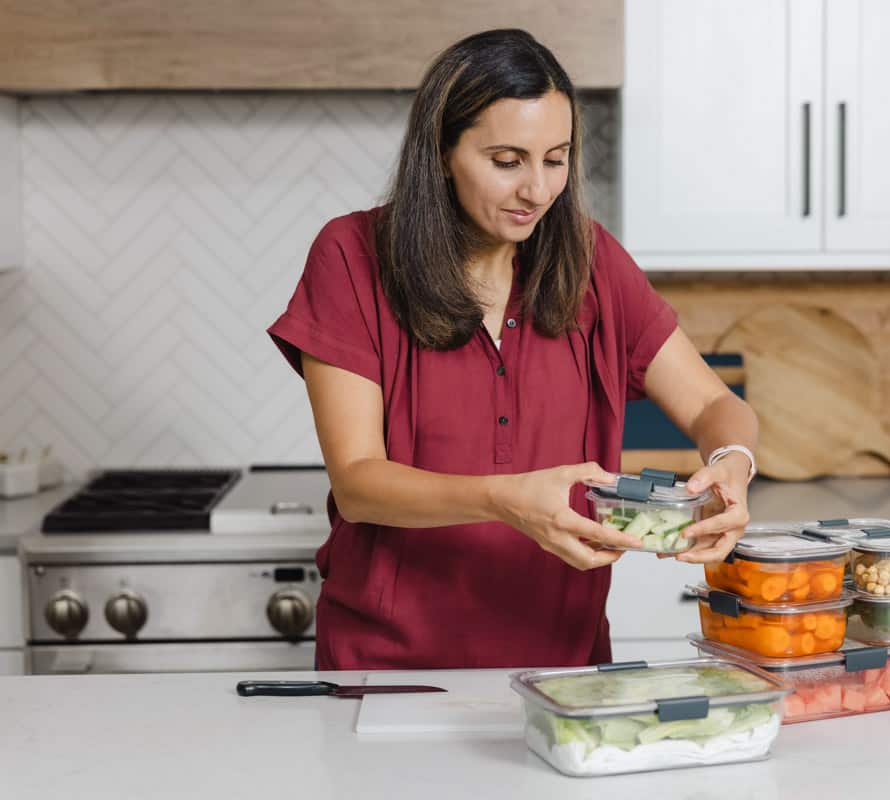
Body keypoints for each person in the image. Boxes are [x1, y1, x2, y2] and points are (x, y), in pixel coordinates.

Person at [267, 29, 758, 670]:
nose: (538, 190)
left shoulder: (591, 262)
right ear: (442, 152)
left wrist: (733, 464)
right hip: (388, 669)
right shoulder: (351, 257)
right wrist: (503, 499)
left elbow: (712, 404)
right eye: (507, 161)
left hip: (565, 665)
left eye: (556, 159)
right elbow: (358, 483)